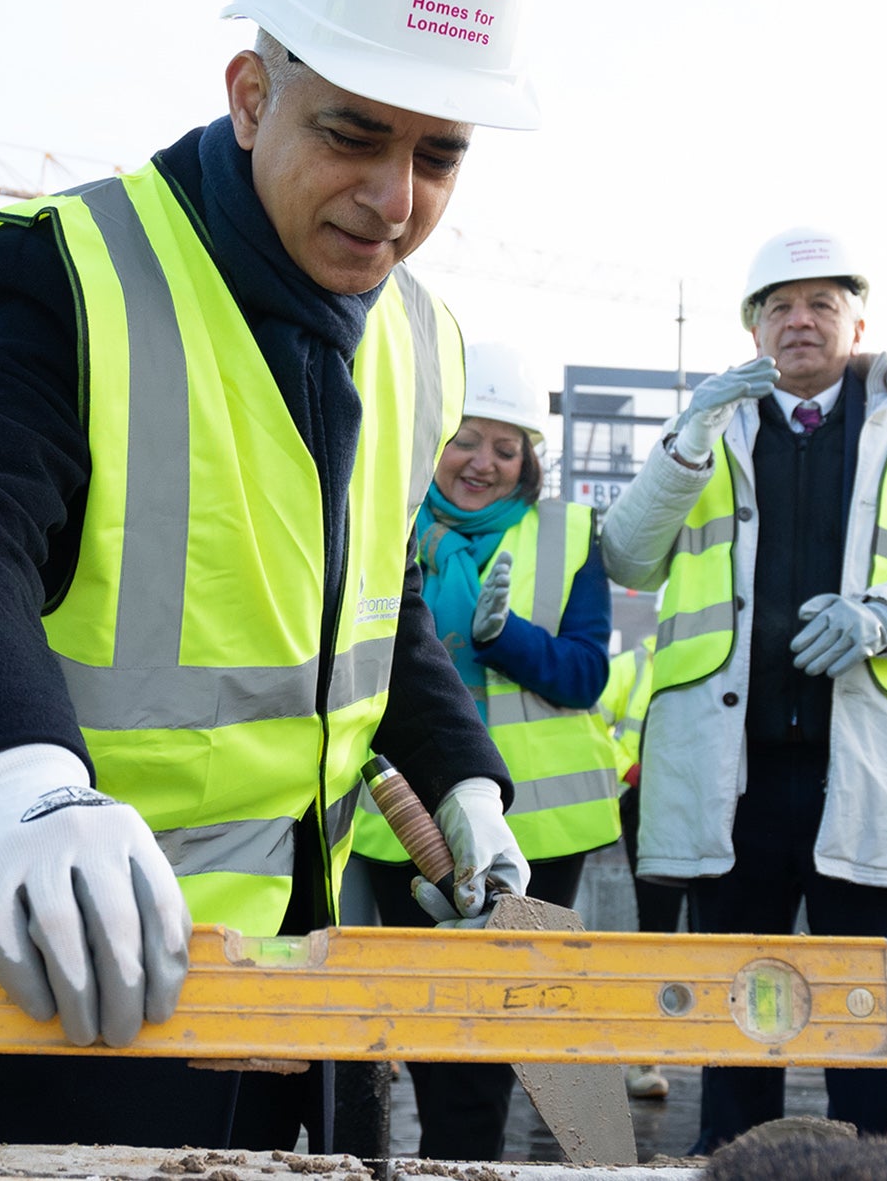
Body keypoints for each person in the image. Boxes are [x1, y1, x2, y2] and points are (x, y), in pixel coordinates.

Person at [0, 0, 539, 1151]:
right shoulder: (76, 270)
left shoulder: (422, 341)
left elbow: (369, 601)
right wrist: (17, 788)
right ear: (250, 94)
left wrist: (463, 784)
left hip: (309, 982)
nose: (394, 203)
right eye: (352, 133)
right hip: (78, 976)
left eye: (437, 156)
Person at [599, 227, 887, 1151]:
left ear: (858, 321)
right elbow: (628, 554)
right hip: (733, 780)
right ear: (752, 330)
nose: (799, 321)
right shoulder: (710, 428)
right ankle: (736, 1166)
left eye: (821, 302)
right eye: (778, 305)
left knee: (864, 1020)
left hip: (866, 771)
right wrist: (685, 440)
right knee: (742, 1012)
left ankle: (871, 1171)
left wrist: (885, 615)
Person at [349, 342, 615, 1161]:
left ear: (530, 461)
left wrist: (509, 639)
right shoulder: (377, 520)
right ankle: (430, 1159)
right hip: (404, 816)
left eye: (508, 448)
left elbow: (586, 672)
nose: (483, 462)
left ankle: (469, 1162)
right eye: (467, 439)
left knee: (504, 1014)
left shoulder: (568, 533)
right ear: (433, 440)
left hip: (538, 826)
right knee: (427, 1010)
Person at [593, 632, 674, 1100]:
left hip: (706, 800)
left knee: (711, 935)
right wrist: (629, 768)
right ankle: (647, 1057)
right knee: (657, 931)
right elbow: (595, 730)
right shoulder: (631, 666)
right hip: (646, 802)